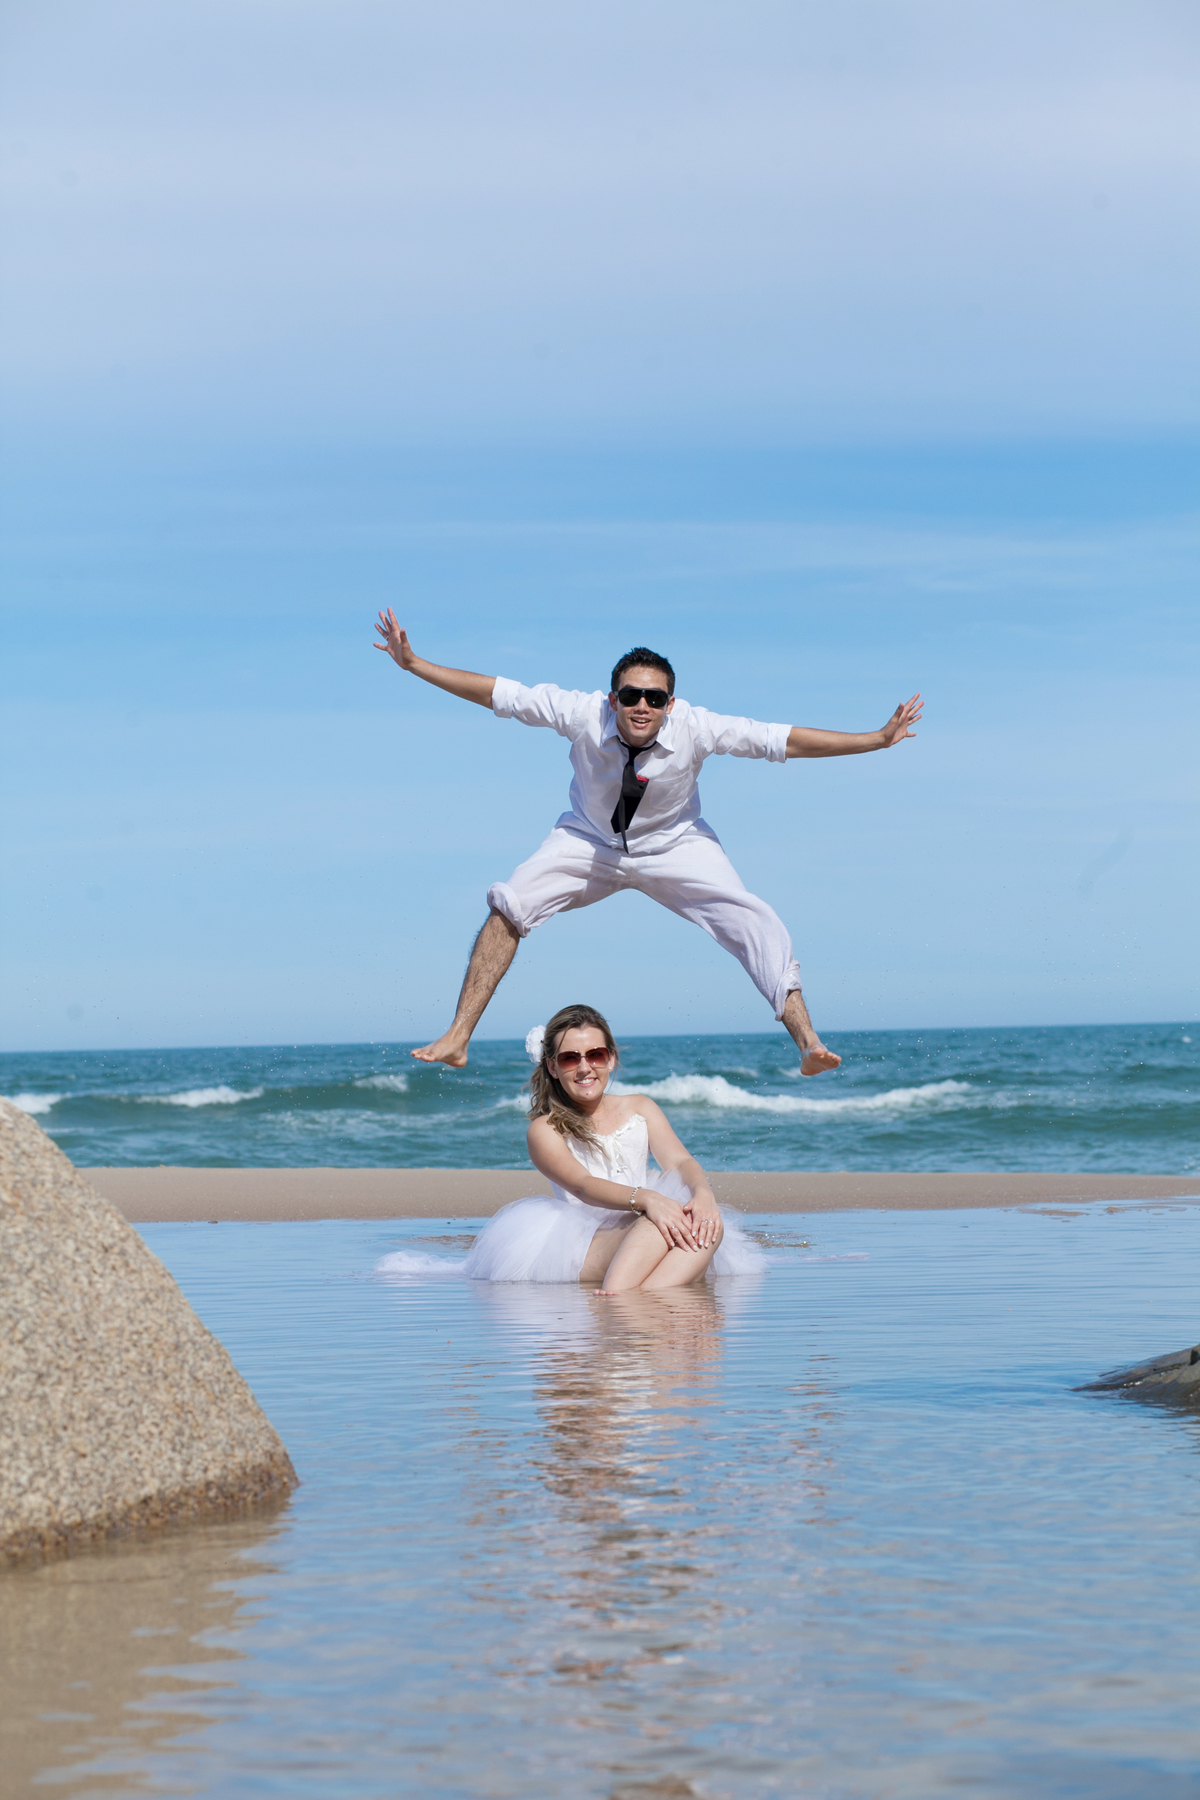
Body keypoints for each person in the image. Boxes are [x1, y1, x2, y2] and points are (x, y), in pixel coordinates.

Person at [375, 611, 921, 1074]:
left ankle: (808, 1043)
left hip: (675, 845)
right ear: (613, 698)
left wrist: (876, 740)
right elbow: (498, 693)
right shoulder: (580, 712)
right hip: (588, 841)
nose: (642, 706)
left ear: (670, 704)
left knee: (753, 918)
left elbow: (783, 741)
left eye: (654, 698)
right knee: (509, 905)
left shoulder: (698, 727)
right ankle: (458, 1037)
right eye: (632, 695)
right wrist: (415, 664)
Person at [458, 1004, 764, 1293]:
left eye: (595, 1055)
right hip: (583, 1241)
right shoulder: (544, 1129)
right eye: (570, 1058)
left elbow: (680, 1161)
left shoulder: (641, 1107)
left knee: (708, 1225)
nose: (584, 1068)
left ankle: (634, 1301)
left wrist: (704, 1195)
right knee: (656, 1225)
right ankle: (620, 1296)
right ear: (552, 1066)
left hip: (642, 1223)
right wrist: (648, 1199)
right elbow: (583, 1185)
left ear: (611, 1059)